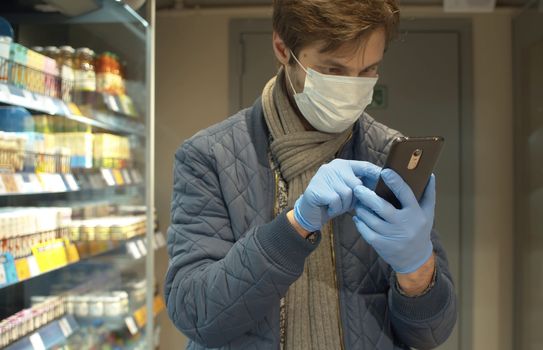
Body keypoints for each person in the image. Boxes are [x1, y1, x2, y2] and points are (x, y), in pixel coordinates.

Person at [164, 0, 457, 349]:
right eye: (333, 70)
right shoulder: (210, 156)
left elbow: (430, 334)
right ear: (282, 49)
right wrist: (293, 229)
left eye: (368, 71)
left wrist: (418, 268)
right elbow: (195, 315)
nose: (352, 87)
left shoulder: (386, 153)